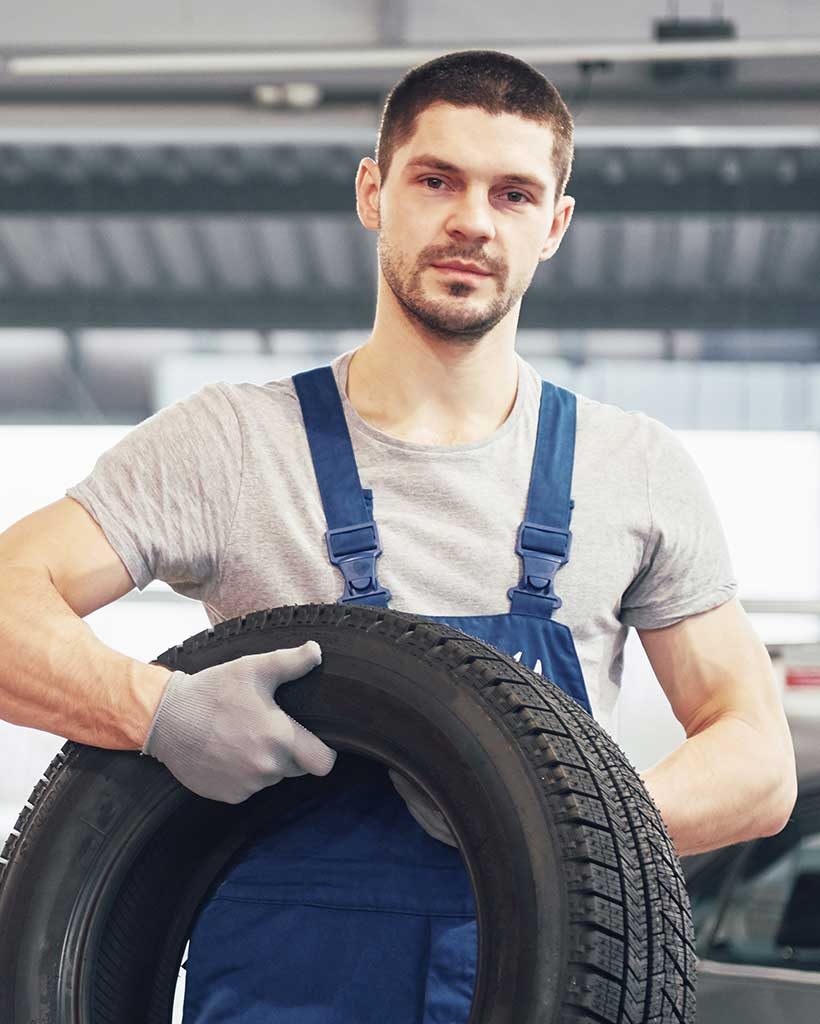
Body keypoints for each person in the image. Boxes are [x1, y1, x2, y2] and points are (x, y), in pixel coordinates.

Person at [0, 48, 797, 1024]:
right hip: (279, 993)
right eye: (436, 179)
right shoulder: (232, 443)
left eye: (512, 193)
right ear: (373, 191)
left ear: (555, 225)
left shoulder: (631, 466)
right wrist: (155, 709)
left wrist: (548, 824)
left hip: (545, 978)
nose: (472, 219)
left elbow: (756, 758)